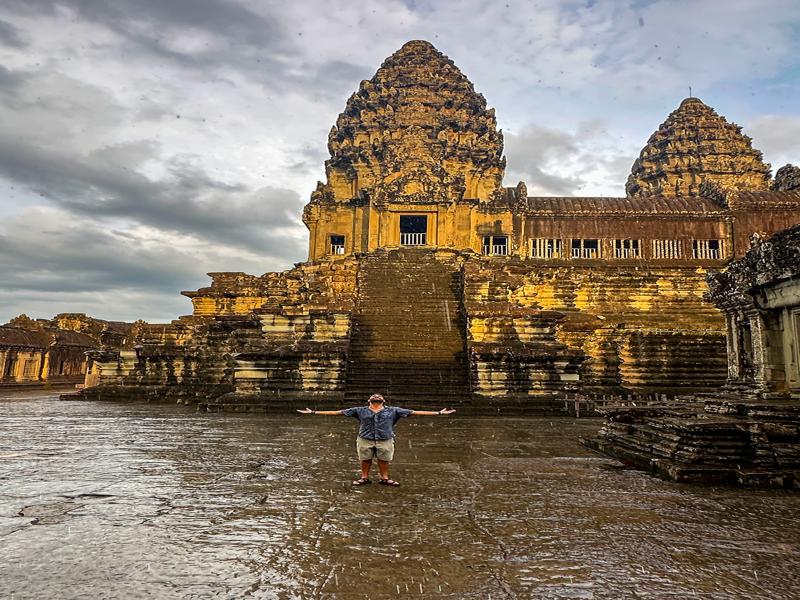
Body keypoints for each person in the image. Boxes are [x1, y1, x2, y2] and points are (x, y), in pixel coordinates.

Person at [297, 393, 456, 486]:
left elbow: (414, 412)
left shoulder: (393, 411)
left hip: (384, 438)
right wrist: (314, 413)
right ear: (369, 401)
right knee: (365, 459)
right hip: (365, 438)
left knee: (383, 459)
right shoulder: (358, 410)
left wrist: (438, 413)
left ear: (383, 401)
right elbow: (337, 412)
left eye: (379, 395)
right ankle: (364, 478)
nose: (377, 396)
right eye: (374, 396)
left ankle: (384, 478)